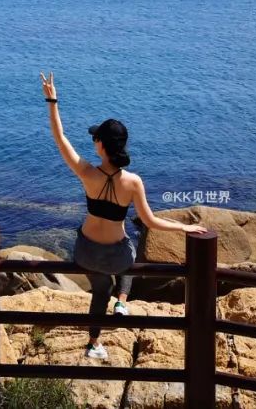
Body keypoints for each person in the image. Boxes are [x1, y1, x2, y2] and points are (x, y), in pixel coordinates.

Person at [40, 71, 210, 361]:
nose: (94, 142)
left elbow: (60, 137)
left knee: (99, 289)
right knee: (131, 258)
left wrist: (52, 100)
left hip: (86, 252)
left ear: (102, 146)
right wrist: (185, 228)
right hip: (117, 256)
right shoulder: (133, 182)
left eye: (96, 139)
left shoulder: (86, 173)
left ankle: (94, 343)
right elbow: (151, 221)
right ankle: (122, 302)